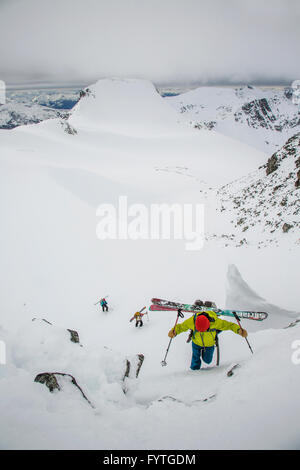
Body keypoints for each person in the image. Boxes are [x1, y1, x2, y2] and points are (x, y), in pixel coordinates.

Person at [168, 311, 248, 370]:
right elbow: (182, 326)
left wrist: (239, 330)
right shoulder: (192, 321)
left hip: (209, 344)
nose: (202, 331)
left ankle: (210, 308)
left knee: (207, 360)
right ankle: (193, 374)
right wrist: (174, 332)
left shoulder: (215, 322)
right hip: (196, 343)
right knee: (195, 361)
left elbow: (229, 325)